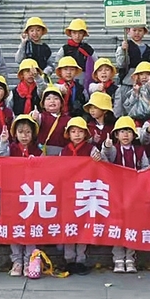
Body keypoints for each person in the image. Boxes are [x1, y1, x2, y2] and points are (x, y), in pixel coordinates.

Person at [100, 116, 149, 273]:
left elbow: (145, 167)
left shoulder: (139, 151)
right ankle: (118, 257)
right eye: (122, 132)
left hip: (134, 193)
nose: (125, 135)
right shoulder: (114, 149)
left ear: (134, 135)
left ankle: (130, 256)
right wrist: (106, 146)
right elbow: (106, 158)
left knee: (132, 224)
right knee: (117, 224)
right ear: (116, 135)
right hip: (117, 193)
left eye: (129, 131)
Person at [0, 115, 42, 276]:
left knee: (31, 227)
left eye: (28, 132)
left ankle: (31, 259)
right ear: (14, 133)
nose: (24, 135)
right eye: (21, 132)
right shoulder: (11, 148)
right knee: (14, 228)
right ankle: (17, 261)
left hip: (32, 195)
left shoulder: (38, 149)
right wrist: (3, 142)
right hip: (13, 194)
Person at [60, 116, 101, 275]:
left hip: (86, 193)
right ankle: (69, 259)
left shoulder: (91, 149)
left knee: (84, 225)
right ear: (68, 134)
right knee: (69, 226)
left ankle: (81, 259)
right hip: (68, 193)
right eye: (73, 131)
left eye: (80, 131)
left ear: (86, 133)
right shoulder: (64, 151)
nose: (77, 134)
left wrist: (98, 158)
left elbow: (101, 163)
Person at [116, 25, 150, 102]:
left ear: (144, 32)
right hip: (127, 83)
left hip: (144, 84)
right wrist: (123, 50)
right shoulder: (124, 46)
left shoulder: (149, 50)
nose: (137, 33)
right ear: (129, 31)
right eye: (134, 30)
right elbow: (120, 64)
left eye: (140, 31)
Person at [54, 18, 95, 86]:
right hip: (68, 77)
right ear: (70, 33)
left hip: (84, 78)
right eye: (74, 33)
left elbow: (95, 61)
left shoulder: (87, 48)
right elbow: (57, 62)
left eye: (80, 33)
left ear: (84, 34)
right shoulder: (65, 48)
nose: (77, 36)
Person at [33, 85, 70, 155]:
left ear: (62, 103)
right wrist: (34, 117)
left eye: (56, 98)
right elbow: (35, 122)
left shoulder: (68, 120)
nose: (52, 101)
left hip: (62, 154)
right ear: (43, 104)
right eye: (48, 99)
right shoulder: (41, 117)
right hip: (44, 153)